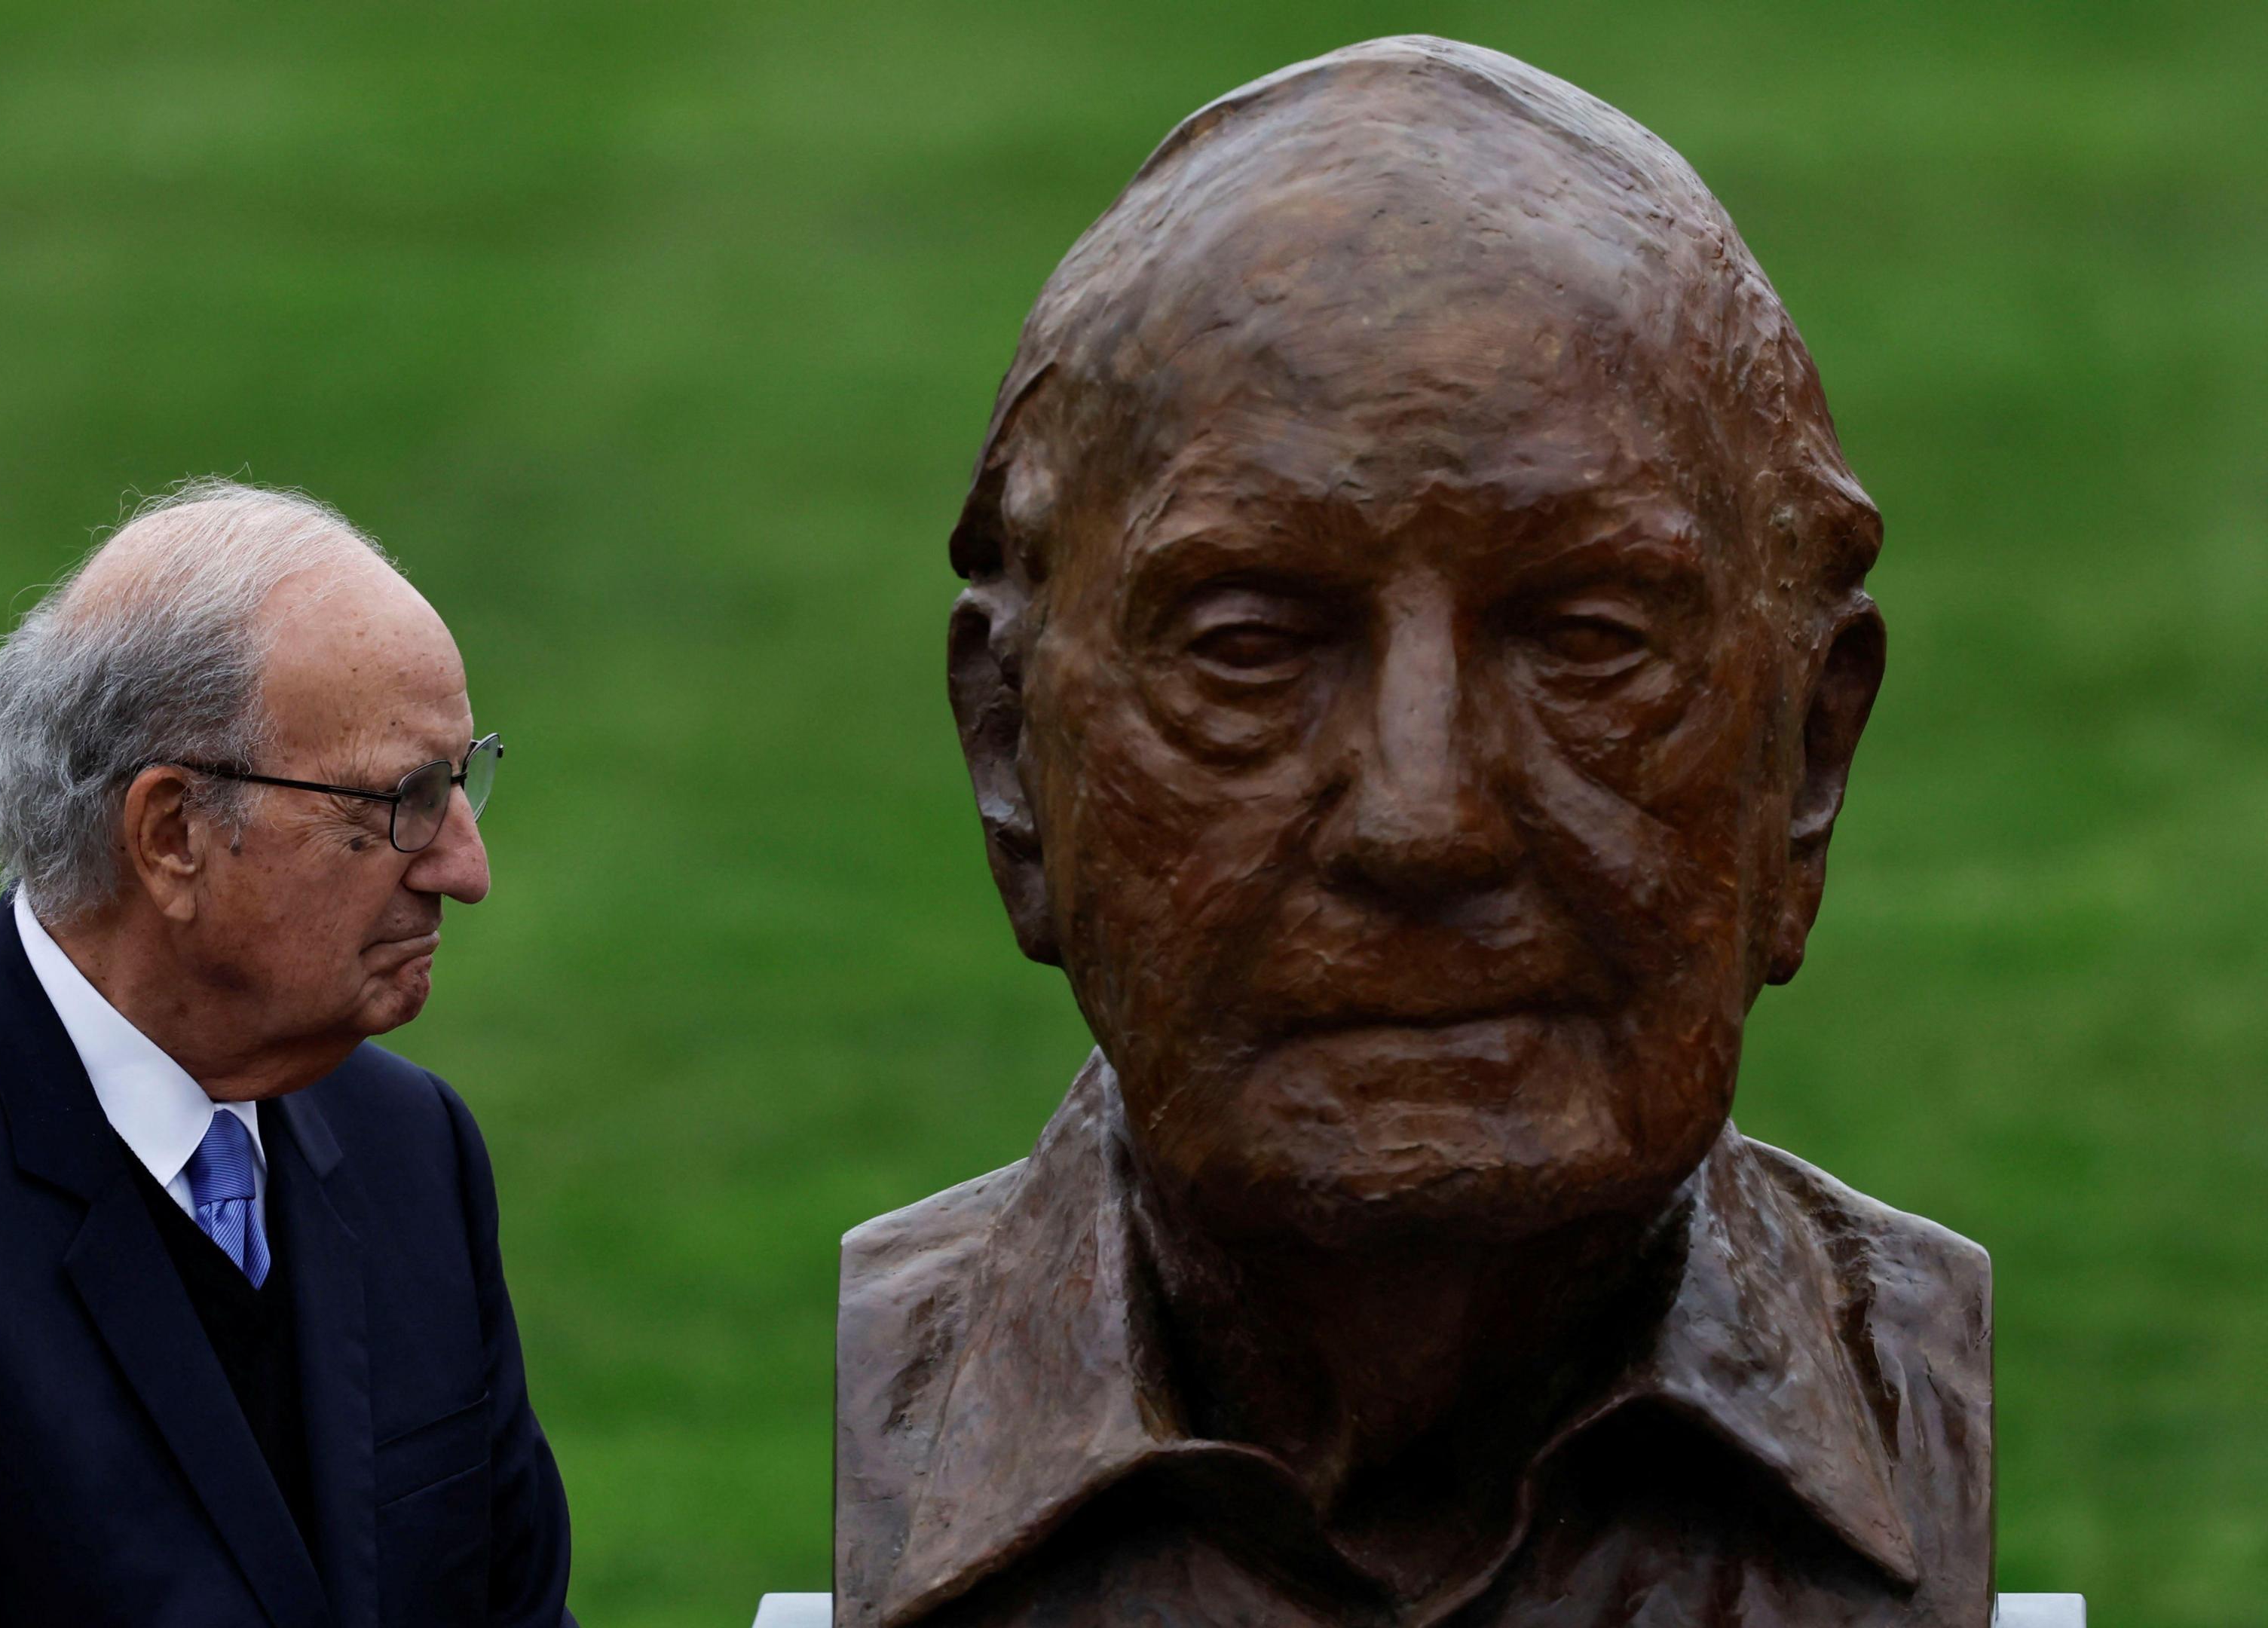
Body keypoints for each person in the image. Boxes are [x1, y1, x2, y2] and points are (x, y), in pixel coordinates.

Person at [837, 37, 1990, 1628]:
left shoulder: (1921, 1381)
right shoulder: (901, 1388)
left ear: (1809, 754)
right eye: (1247, 645)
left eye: (1589, 640)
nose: (1423, 817)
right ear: (1014, 760)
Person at [0, 480, 576, 1628]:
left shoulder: (410, 1149)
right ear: (173, 835)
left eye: (462, 781)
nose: (464, 869)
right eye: (404, 801)